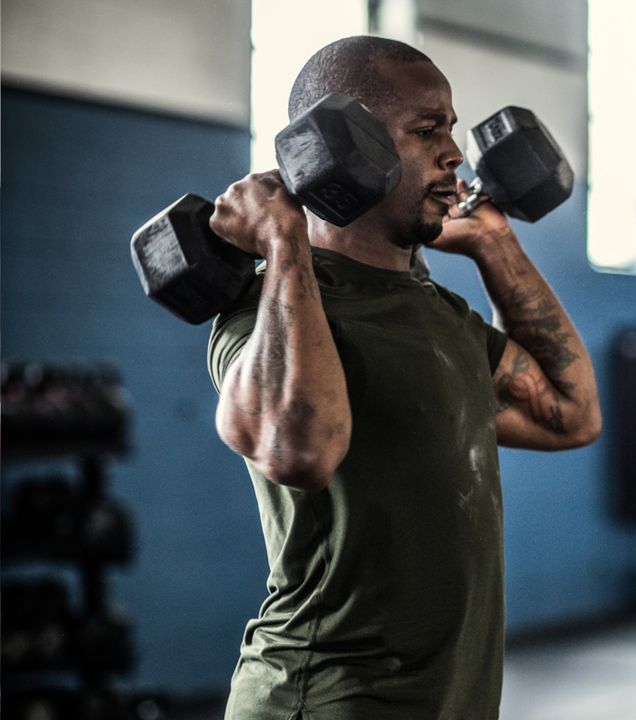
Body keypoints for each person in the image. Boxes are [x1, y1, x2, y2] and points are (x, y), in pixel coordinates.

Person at [205, 36, 601, 720]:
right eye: (427, 131)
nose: (455, 153)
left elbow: (572, 414)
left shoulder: (441, 316)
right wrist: (285, 241)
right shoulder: (262, 312)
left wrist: (492, 242)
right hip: (323, 703)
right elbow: (301, 450)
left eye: (451, 128)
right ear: (338, 147)